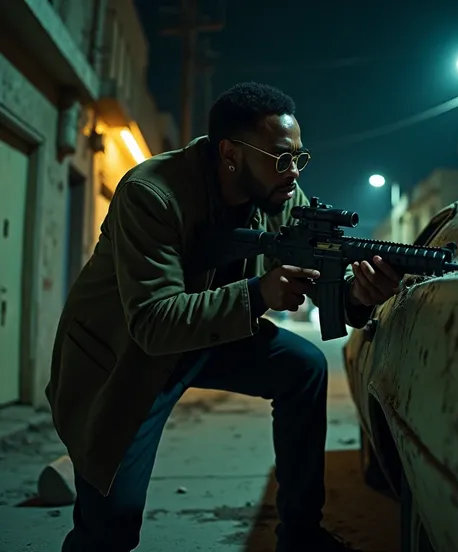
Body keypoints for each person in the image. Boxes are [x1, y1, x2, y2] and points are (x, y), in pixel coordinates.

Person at [46, 82, 402, 552]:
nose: (293, 172)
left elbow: (320, 279)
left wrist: (359, 294)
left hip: (213, 337)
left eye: (299, 157)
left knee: (303, 367)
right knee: (111, 524)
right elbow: (153, 322)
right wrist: (260, 292)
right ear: (231, 153)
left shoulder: (281, 194)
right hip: (125, 357)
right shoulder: (151, 193)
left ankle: (301, 535)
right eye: (280, 158)